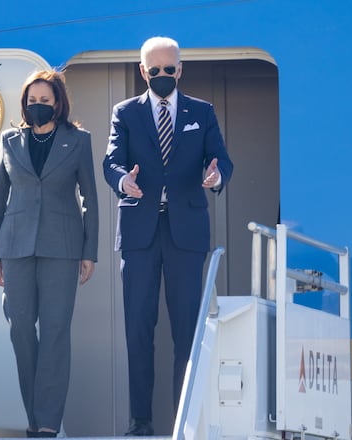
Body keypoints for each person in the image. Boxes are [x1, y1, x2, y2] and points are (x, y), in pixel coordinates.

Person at [102, 36, 234, 436]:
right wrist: (124, 181)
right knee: (138, 329)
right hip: (141, 233)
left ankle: (184, 419)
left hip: (186, 234)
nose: (163, 76)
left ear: (181, 69)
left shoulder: (202, 112)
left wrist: (216, 177)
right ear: (143, 71)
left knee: (187, 329)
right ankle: (140, 422)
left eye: (169, 69)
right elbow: (111, 162)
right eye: (154, 70)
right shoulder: (125, 112)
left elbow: (222, 160)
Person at [0, 69, 99, 438]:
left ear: (58, 104)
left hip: (62, 249)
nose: (37, 106)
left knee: (54, 333)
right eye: (32, 101)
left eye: (44, 101)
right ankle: (34, 416)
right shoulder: (9, 141)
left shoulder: (78, 140)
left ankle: (46, 423)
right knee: (20, 330)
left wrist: (89, 251)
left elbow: (90, 200)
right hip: (15, 248)